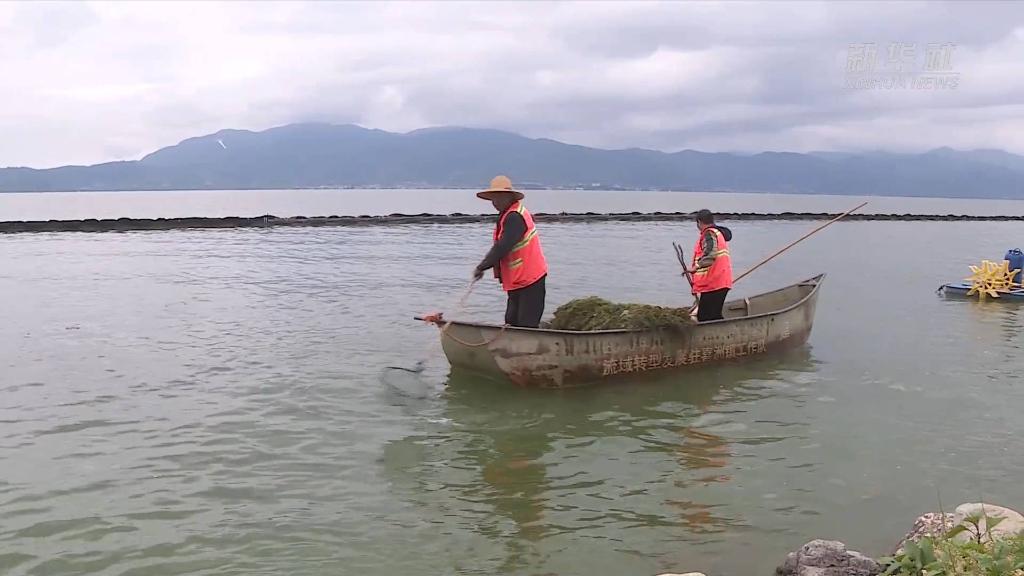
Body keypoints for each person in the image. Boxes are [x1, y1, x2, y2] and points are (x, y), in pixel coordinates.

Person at [472, 175, 548, 328]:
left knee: (526, 324)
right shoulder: (507, 214)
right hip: (517, 279)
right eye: (493, 198)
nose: (495, 202)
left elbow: (503, 246)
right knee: (511, 320)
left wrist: (482, 266)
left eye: (499, 197)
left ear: (509, 197)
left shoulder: (515, 217)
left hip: (530, 278)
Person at [690, 209, 733, 322]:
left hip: (714, 282)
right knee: (712, 315)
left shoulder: (709, 234)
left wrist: (696, 266)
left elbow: (710, 255)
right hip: (719, 281)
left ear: (699, 222)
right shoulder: (718, 233)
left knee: (706, 317)